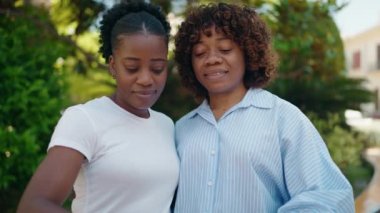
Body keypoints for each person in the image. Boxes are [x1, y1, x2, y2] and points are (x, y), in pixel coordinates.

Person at [173, 2, 354, 213]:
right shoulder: (181, 128)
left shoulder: (283, 118)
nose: (212, 59)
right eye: (200, 53)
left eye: (225, 49)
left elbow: (327, 196)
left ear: (248, 52)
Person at [17, 1, 178, 212]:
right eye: (132, 68)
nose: (146, 79)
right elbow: (33, 206)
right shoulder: (85, 119)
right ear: (113, 66)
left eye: (157, 68)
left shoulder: (166, 125)